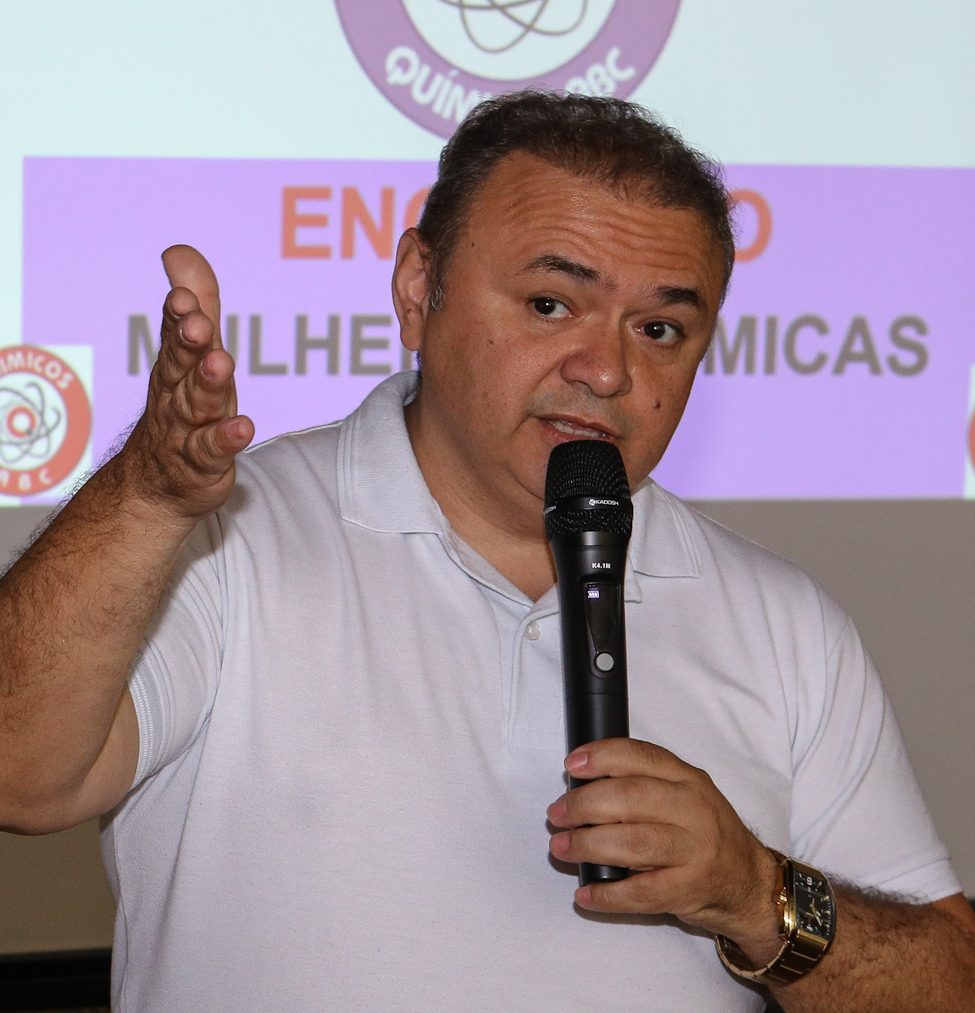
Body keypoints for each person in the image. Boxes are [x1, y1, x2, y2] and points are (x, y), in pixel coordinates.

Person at [0, 92, 972, 1011]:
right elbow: (17, 774)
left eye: (660, 328)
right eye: (551, 304)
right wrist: (145, 496)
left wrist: (756, 894)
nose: (606, 370)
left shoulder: (784, 623)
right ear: (416, 289)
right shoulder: (223, 542)